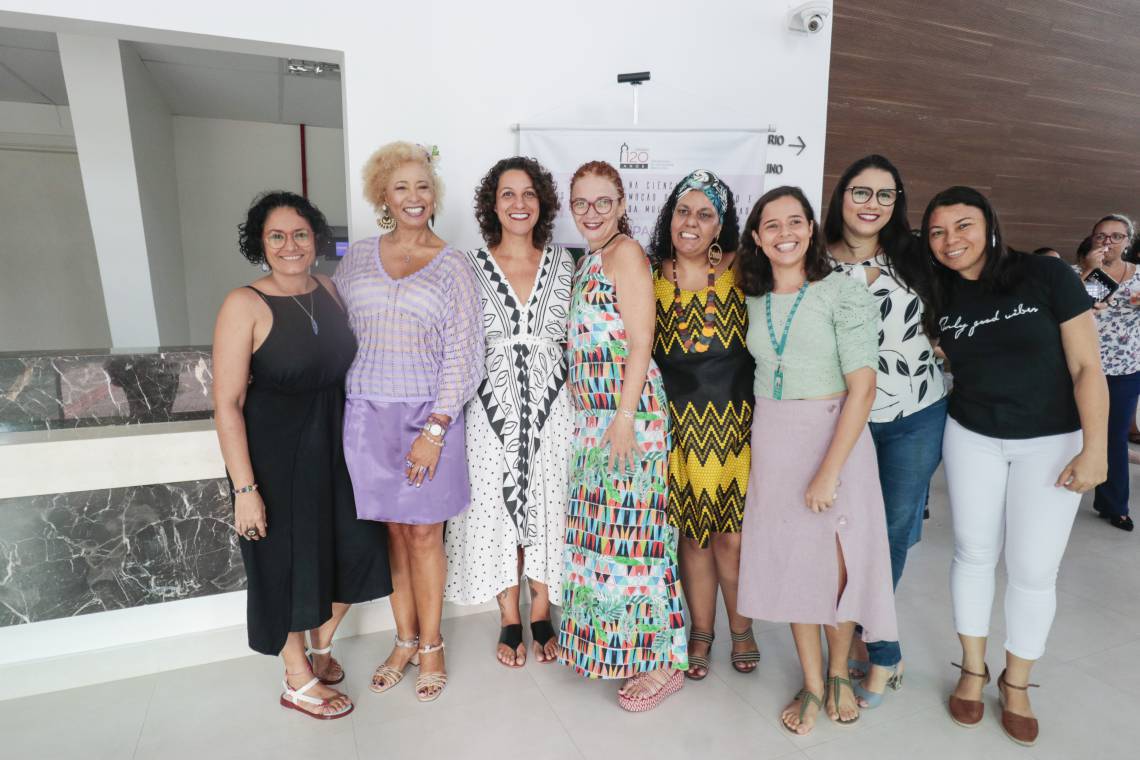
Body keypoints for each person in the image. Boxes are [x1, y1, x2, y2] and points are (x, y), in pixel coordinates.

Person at [922, 186, 1107, 746]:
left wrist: (1096, 447)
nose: (951, 240)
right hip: (972, 435)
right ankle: (972, 670)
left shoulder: (1045, 276)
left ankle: (1018, 682)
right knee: (974, 553)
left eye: (963, 225)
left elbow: (1087, 367)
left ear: (989, 224)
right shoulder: (937, 290)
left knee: (1033, 569)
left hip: (1051, 441)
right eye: (937, 231)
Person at [212, 191, 392, 720]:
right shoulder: (243, 303)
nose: (290, 245)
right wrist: (245, 490)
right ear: (260, 243)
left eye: (300, 234)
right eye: (277, 236)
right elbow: (226, 404)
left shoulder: (328, 290)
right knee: (283, 565)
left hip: (336, 447)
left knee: (359, 549)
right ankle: (296, 679)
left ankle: (320, 647)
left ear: (315, 240)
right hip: (273, 458)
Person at [737, 186, 895, 735]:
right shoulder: (751, 296)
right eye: (772, 225)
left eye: (794, 222)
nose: (784, 233)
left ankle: (838, 673)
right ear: (757, 238)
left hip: (836, 436)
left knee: (839, 564)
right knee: (796, 563)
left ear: (810, 229)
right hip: (774, 438)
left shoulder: (843, 293)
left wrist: (829, 471)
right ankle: (810, 682)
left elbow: (863, 389)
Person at [333, 142, 483, 702]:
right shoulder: (357, 260)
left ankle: (432, 645)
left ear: (434, 195)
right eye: (402, 187)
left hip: (429, 417)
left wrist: (435, 430)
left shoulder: (454, 265)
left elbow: (465, 354)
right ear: (384, 197)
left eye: (423, 186)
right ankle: (403, 640)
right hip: (367, 414)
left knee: (424, 534)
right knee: (393, 532)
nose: (414, 196)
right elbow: (336, 332)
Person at [558, 160, 688, 711]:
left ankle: (664, 662)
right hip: (596, 421)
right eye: (581, 203)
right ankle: (624, 650)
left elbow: (641, 341)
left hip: (627, 418)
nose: (592, 212)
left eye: (603, 202)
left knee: (640, 543)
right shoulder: (590, 259)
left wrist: (625, 417)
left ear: (622, 205)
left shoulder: (627, 254)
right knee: (610, 543)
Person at [824, 155, 948, 707]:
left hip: (916, 414)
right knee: (844, 535)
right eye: (861, 191)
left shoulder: (916, 255)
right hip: (845, 419)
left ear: (897, 203)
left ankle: (869, 641)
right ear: (841, 196)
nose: (871, 203)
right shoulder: (813, 258)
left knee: (893, 533)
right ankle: (876, 644)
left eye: (884, 194)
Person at [443, 157, 574, 666]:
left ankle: (541, 609)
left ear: (541, 202)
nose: (519, 204)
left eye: (528, 194)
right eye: (507, 194)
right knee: (495, 509)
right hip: (488, 406)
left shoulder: (566, 264)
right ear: (492, 205)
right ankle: (509, 616)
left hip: (554, 405)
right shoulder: (468, 265)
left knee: (549, 502)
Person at [647, 169, 758, 679]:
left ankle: (742, 628)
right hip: (678, 428)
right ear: (670, 217)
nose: (690, 222)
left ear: (720, 226)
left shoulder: (743, 269)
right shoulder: (651, 274)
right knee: (692, 538)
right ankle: (701, 631)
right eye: (683, 211)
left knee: (731, 538)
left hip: (735, 428)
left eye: (704, 214)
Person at [1084, 214, 1140, 531]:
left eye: (1116, 236)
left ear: (1128, 241)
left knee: (1115, 437)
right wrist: (1095, 270)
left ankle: (1114, 504)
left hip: (1125, 367)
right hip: (1083, 366)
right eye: (1101, 236)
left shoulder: (1139, 275)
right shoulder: (1081, 273)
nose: (1108, 242)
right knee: (1070, 433)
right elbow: (1082, 306)